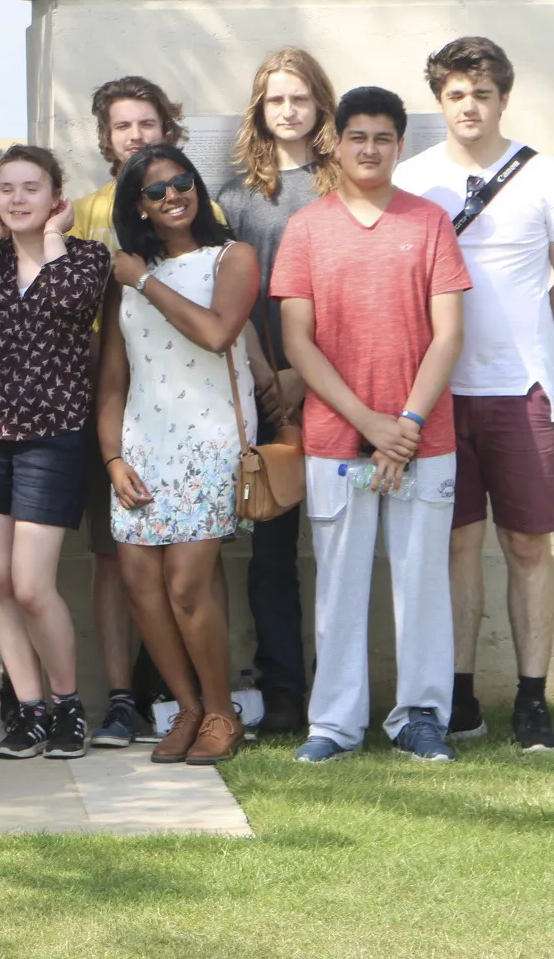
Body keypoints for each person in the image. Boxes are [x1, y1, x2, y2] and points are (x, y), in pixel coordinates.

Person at [275, 87, 469, 764]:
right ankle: (334, 723)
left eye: (383, 137)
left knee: (421, 586)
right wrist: (369, 424)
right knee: (339, 585)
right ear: (336, 142)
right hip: (337, 439)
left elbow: (448, 335)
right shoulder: (306, 228)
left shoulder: (430, 224)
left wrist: (406, 423)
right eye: (357, 136)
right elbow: (298, 342)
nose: (369, 149)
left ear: (399, 144)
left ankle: (420, 717)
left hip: (424, 439)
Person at [396, 37, 554, 751]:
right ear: (440, 101)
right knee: (456, 544)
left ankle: (531, 698)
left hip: (523, 387)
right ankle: (459, 696)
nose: (469, 106)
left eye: (482, 94)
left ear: (503, 99)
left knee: (528, 544)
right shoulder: (414, 180)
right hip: (441, 390)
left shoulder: (542, 176)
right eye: (456, 94)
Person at [0, 145, 109, 760]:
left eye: (30, 188)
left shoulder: (86, 256)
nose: (15, 198)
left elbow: (69, 304)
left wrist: (54, 238)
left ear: (55, 197)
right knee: (3, 583)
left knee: (35, 585)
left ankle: (67, 706)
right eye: (6, 188)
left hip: (51, 439)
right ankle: (29, 711)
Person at [97, 145, 258, 765]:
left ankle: (222, 711)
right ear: (138, 205)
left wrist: (142, 280)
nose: (173, 196)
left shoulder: (232, 257)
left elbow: (218, 333)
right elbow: (112, 379)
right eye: (156, 191)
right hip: (142, 446)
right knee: (141, 585)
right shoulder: (126, 277)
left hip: (210, 441)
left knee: (188, 585)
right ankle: (188, 708)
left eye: (181, 183)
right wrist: (112, 458)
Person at [69, 75, 210, 748]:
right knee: (115, 559)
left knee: (191, 572)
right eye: (122, 126)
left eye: (146, 123)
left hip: (192, 417)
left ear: (167, 130)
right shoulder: (84, 213)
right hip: (112, 406)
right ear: (105, 138)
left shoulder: (194, 210)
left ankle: (200, 701)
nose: (135, 136)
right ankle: (125, 695)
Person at [217, 47, 338, 735]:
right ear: (259, 111)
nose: (288, 111)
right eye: (275, 100)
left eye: (299, 98)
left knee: (343, 549)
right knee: (270, 555)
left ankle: (341, 690)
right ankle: (285, 689)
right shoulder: (237, 198)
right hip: (267, 398)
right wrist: (269, 373)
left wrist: (306, 364)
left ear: (320, 103)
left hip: (339, 384)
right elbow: (232, 298)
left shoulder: (341, 184)